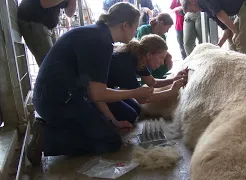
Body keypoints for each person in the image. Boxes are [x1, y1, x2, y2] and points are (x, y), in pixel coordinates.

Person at [27, 3, 153, 166]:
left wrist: (112, 121)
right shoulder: (99, 41)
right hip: (57, 102)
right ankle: (48, 138)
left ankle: (70, 127)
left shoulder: (98, 35)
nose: (135, 32)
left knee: (122, 118)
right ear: (125, 25)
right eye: (135, 27)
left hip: (66, 96)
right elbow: (97, 94)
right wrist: (135, 93)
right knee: (111, 142)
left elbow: (94, 89)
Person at [108, 34, 188, 106]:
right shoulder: (127, 63)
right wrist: (171, 91)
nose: (162, 63)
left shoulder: (139, 58)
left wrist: (173, 79)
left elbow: (153, 82)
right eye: (161, 58)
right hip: (100, 97)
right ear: (149, 54)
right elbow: (142, 99)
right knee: (131, 114)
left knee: (136, 109)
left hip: (108, 90)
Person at [181, 0, 246, 55]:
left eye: (192, 10)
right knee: (231, 36)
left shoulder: (204, 1)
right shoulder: (207, 10)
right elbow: (227, 30)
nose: (194, 12)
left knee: (241, 39)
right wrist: (218, 46)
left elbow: (220, 14)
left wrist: (236, 31)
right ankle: (236, 65)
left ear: (192, 1)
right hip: (243, 7)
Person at [18, 0, 77, 66]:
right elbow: (44, 3)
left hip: (48, 25)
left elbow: (69, 13)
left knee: (58, 62)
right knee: (51, 66)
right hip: (34, 21)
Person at [135, 13, 174, 79]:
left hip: (153, 54)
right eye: (167, 28)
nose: (167, 31)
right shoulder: (144, 29)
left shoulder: (163, 36)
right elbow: (142, 47)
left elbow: (162, 50)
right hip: (143, 55)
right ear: (161, 23)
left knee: (166, 61)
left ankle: (157, 78)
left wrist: (167, 55)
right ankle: (149, 78)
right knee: (153, 60)